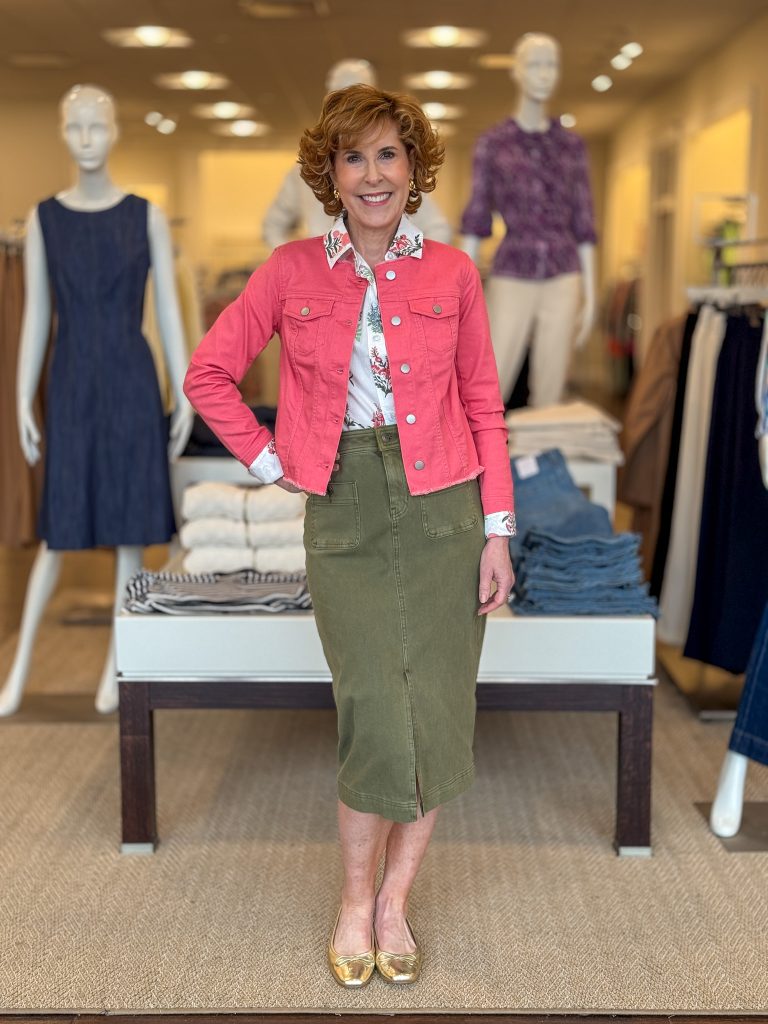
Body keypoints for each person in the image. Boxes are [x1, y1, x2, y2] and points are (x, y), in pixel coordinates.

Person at [184, 84, 515, 988]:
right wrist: (268, 459)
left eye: (388, 155)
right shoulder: (290, 270)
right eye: (353, 157)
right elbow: (208, 373)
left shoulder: (453, 274)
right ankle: (351, 900)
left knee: (439, 711)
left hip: (446, 506)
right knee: (372, 709)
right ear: (328, 174)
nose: (372, 174)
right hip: (345, 512)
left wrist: (497, 532)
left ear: (414, 169)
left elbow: (484, 402)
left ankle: (395, 904)